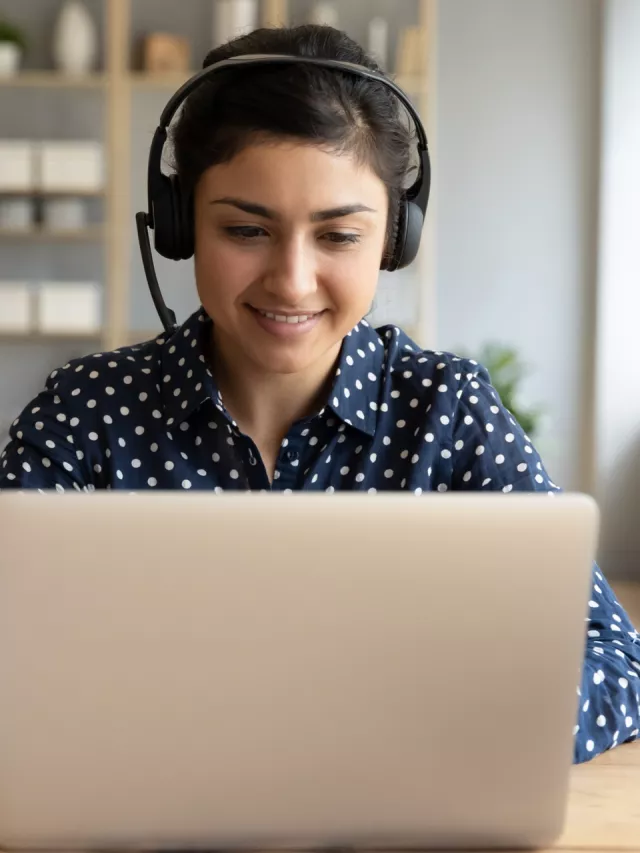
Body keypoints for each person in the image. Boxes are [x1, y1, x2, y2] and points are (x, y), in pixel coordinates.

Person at [0, 24, 638, 764]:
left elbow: (615, 658)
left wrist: (441, 729)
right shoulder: (86, 413)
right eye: (246, 229)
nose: (292, 281)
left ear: (394, 239)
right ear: (179, 228)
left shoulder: (447, 412)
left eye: (337, 237)